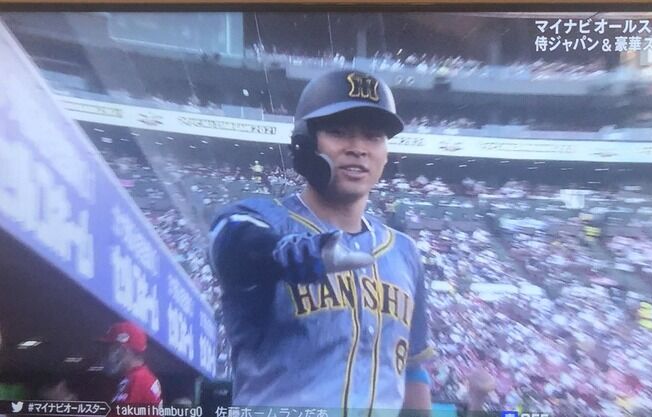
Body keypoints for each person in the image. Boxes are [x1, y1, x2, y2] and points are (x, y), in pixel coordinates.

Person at [209, 70, 433, 415]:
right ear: (304, 143)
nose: (357, 148)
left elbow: (413, 369)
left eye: (373, 136)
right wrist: (279, 253)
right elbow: (230, 240)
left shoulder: (404, 252)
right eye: (338, 132)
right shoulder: (266, 221)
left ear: (386, 153)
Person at [97, 321, 163, 409]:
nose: (106, 354)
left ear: (123, 350)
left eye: (110, 348)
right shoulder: (141, 376)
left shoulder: (137, 380)